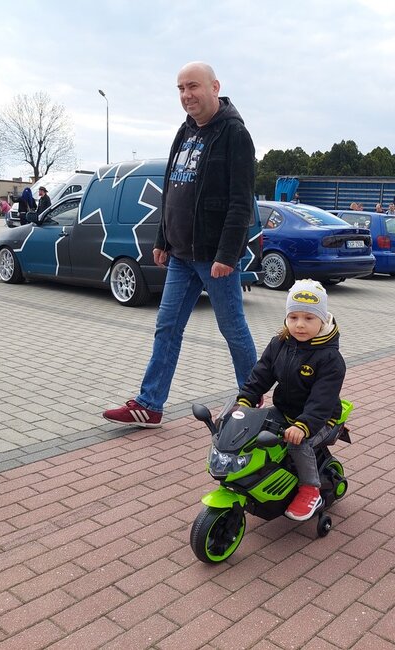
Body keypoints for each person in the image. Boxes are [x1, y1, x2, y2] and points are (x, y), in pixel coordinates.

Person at [103, 61, 257, 427]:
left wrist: (227, 254)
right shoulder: (184, 132)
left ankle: (253, 399)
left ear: (215, 87)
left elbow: (241, 202)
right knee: (167, 328)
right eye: (181, 88)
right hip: (180, 256)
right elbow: (171, 190)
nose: (187, 95)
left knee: (232, 329)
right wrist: (163, 238)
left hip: (214, 258)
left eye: (193, 86)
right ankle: (150, 404)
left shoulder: (235, 134)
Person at [236, 279, 346, 521]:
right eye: (293, 317)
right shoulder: (279, 344)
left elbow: (322, 400)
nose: (300, 324)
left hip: (321, 419)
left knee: (299, 444)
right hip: (286, 410)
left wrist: (303, 425)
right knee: (252, 427)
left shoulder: (330, 358)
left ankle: (310, 490)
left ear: (322, 319)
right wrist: (245, 400)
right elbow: (261, 374)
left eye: (309, 318)